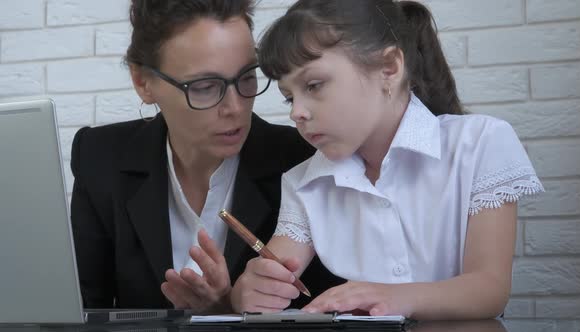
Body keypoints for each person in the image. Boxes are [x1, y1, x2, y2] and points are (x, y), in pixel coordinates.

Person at [230, 0, 544, 320]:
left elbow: (489, 290)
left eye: (314, 85)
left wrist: (391, 296)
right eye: (289, 96)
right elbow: (273, 272)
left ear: (389, 68)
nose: (297, 111)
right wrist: (250, 290)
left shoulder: (480, 143)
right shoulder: (303, 183)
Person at [70, 0, 343, 313]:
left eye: (247, 77)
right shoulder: (100, 157)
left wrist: (226, 310)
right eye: (204, 86)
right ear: (143, 82)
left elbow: (331, 312)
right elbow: (80, 312)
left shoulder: (304, 160)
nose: (236, 108)